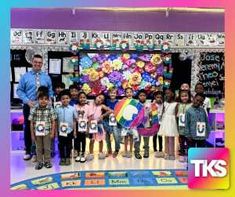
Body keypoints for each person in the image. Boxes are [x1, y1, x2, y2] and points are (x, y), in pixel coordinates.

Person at [17, 54, 53, 160]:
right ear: (32, 62)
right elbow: (19, 90)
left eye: (40, 62)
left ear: (42, 64)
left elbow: (50, 90)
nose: (37, 64)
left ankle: (41, 152)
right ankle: (28, 151)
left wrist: (50, 99)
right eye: (35, 62)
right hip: (30, 107)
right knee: (29, 128)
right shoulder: (25, 76)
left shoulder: (46, 77)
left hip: (44, 108)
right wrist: (27, 101)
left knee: (44, 128)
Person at [29, 91, 56, 170]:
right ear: (37, 100)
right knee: (38, 148)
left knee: (47, 147)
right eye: (41, 99)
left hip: (47, 132)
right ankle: (39, 162)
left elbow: (53, 121)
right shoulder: (34, 109)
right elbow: (31, 123)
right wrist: (32, 134)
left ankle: (47, 161)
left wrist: (52, 132)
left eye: (45, 99)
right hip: (37, 133)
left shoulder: (50, 108)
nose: (43, 101)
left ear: (48, 100)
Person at [86, 94, 111, 161]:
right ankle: (91, 153)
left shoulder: (102, 106)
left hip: (99, 125)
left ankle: (100, 152)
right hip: (91, 125)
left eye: (102, 100)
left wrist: (103, 115)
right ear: (96, 97)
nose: (100, 100)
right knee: (92, 140)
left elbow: (110, 111)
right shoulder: (89, 103)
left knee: (101, 140)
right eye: (99, 97)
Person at [56, 89, 77, 166]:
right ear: (60, 100)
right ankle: (62, 157)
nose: (65, 100)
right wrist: (55, 132)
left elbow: (75, 120)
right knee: (61, 144)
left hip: (70, 130)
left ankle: (67, 157)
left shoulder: (73, 108)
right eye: (63, 98)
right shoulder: (57, 109)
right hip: (60, 131)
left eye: (67, 98)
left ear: (70, 99)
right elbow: (55, 120)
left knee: (69, 145)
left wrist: (74, 131)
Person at [158, 88, 178, 160]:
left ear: (172, 94)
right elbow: (163, 112)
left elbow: (176, 115)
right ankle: (166, 152)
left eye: (168, 93)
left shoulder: (176, 104)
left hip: (172, 121)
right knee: (166, 137)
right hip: (165, 121)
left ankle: (172, 154)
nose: (167, 95)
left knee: (171, 138)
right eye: (166, 93)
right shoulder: (165, 103)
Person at [103, 87, 121, 158]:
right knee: (107, 136)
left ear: (116, 94)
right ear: (108, 93)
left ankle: (116, 149)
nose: (112, 94)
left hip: (115, 121)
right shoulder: (106, 101)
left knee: (116, 135)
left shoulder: (118, 102)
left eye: (114, 93)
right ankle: (109, 150)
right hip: (107, 120)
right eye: (111, 93)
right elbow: (102, 106)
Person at [121, 87, 139, 158]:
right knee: (125, 136)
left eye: (130, 92)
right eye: (127, 92)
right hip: (125, 121)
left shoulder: (135, 101)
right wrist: (122, 102)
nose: (129, 93)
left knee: (131, 136)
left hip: (133, 121)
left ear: (133, 93)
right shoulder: (123, 101)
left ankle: (131, 151)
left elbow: (137, 111)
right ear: (125, 93)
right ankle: (125, 151)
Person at [175, 90, 192, 162]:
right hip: (181, 126)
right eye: (182, 96)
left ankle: (189, 155)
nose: (184, 97)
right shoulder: (178, 104)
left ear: (189, 96)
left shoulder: (191, 104)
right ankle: (182, 154)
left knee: (189, 141)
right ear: (180, 97)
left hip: (188, 126)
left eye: (186, 96)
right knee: (181, 140)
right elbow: (177, 115)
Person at [74, 91, 90, 163]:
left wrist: (87, 128)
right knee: (77, 140)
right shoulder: (75, 106)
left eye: (84, 97)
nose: (82, 99)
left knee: (83, 140)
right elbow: (74, 118)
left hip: (84, 125)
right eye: (80, 97)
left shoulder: (88, 107)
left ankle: (83, 154)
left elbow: (89, 118)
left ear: (86, 98)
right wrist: (74, 130)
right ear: (78, 98)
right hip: (77, 125)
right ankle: (77, 153)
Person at [136, 89, 151, 159]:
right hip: (137, 125)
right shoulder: (136, 104)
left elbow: (151, 114)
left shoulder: (149, 104)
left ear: (146, 96)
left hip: (146, 124)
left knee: (146, 139)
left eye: (144, 95)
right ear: (138, 96)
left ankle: (146, 152)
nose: (142, 97)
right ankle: (137, 152)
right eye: (141, 95)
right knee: (137, 139)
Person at [152, 91, 164, 158]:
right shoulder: (153, 104)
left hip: (161, 122)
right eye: (157, 97)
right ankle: (155, 149)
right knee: (154, 136)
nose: (159, 98)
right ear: (155, 97)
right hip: (154, 122)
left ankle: (160, 149)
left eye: (160, 97)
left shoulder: (163, 104)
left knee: (160, 136)